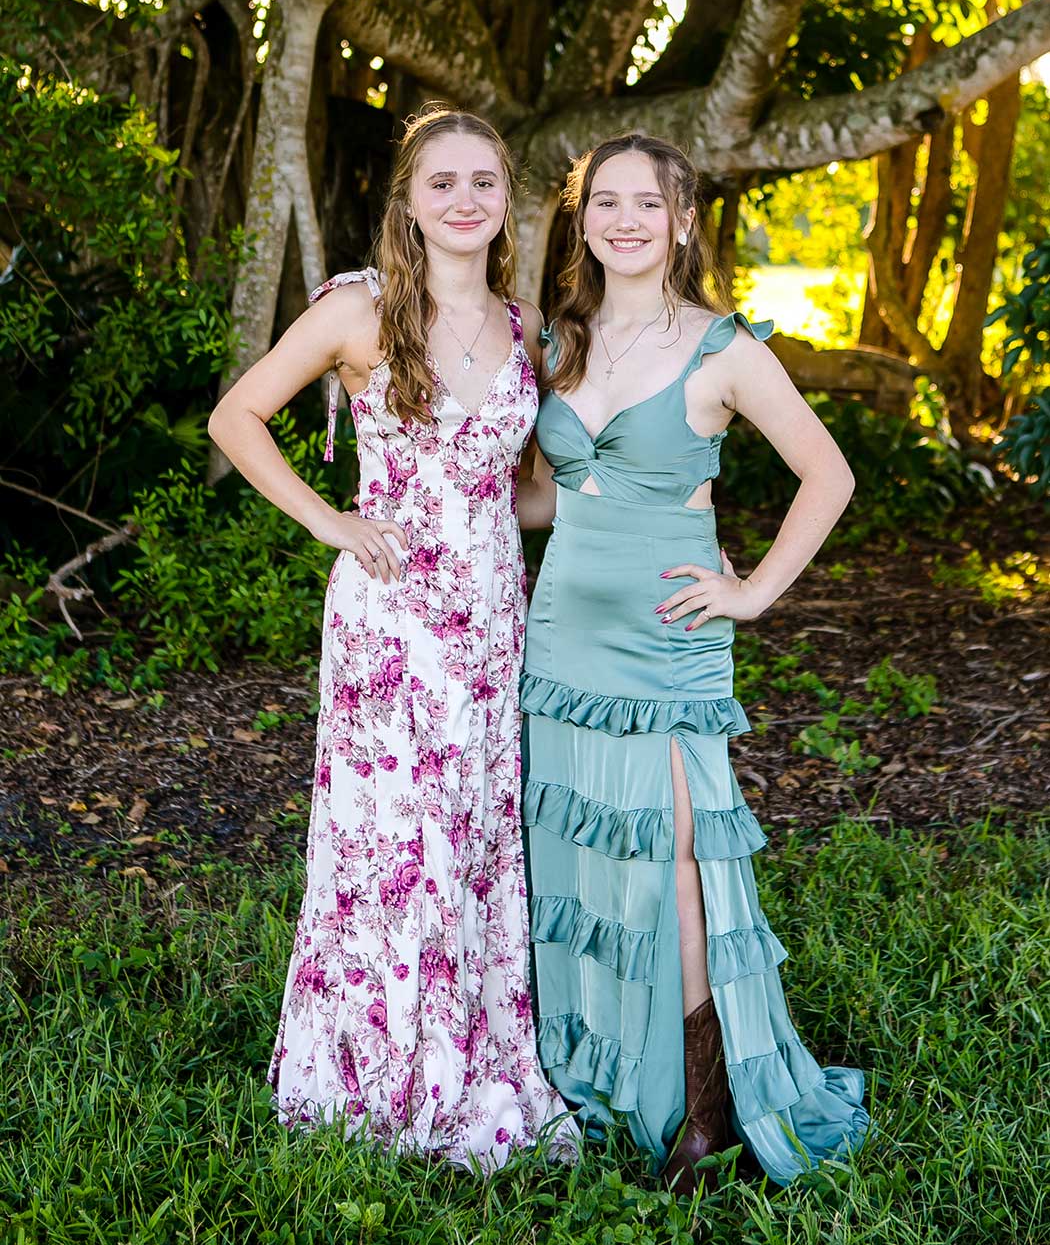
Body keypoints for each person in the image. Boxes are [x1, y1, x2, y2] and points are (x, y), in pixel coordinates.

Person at [208, 105, 577, 1169]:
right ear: (407, 203)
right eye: (443, 183)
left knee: (469, 838)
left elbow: (533, 498)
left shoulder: (524, 332)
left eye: (485, 183)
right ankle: (369, 1076)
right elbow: (237, 417)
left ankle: (470, 1062)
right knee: (386, 842)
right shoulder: (358, 312)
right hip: (391, 621)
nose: (466, 200)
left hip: (493, 618)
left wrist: (638, 509)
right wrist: (332, 519)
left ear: (507, 202)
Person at [516, 131, 869, 1193]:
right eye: (605, 203)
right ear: (582, 222)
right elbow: (541, 498)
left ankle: (709, 1106)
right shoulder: (560, 344)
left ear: (681, 222)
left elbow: (828, 474)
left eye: (648, 203)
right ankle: (606, 1077)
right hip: (563, 633)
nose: (626, 220)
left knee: (676, 861)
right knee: (582, 855)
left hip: (669, 640)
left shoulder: (726, 349)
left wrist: (752, 591)